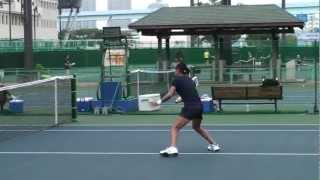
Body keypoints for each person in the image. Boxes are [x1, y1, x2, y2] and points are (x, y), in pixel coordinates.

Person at [151, 63, 221, 157]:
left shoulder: (176, 80)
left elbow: (170, 94)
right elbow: (186, 92)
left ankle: (173, 147)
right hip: (199, 107)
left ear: (179, 70)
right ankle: (214, 144)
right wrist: (181, 98)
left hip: (190, 107)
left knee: (175, 127)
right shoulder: (189, 80)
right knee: (197, 127)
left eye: (175, 69)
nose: (174, 71)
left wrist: (158, 102)